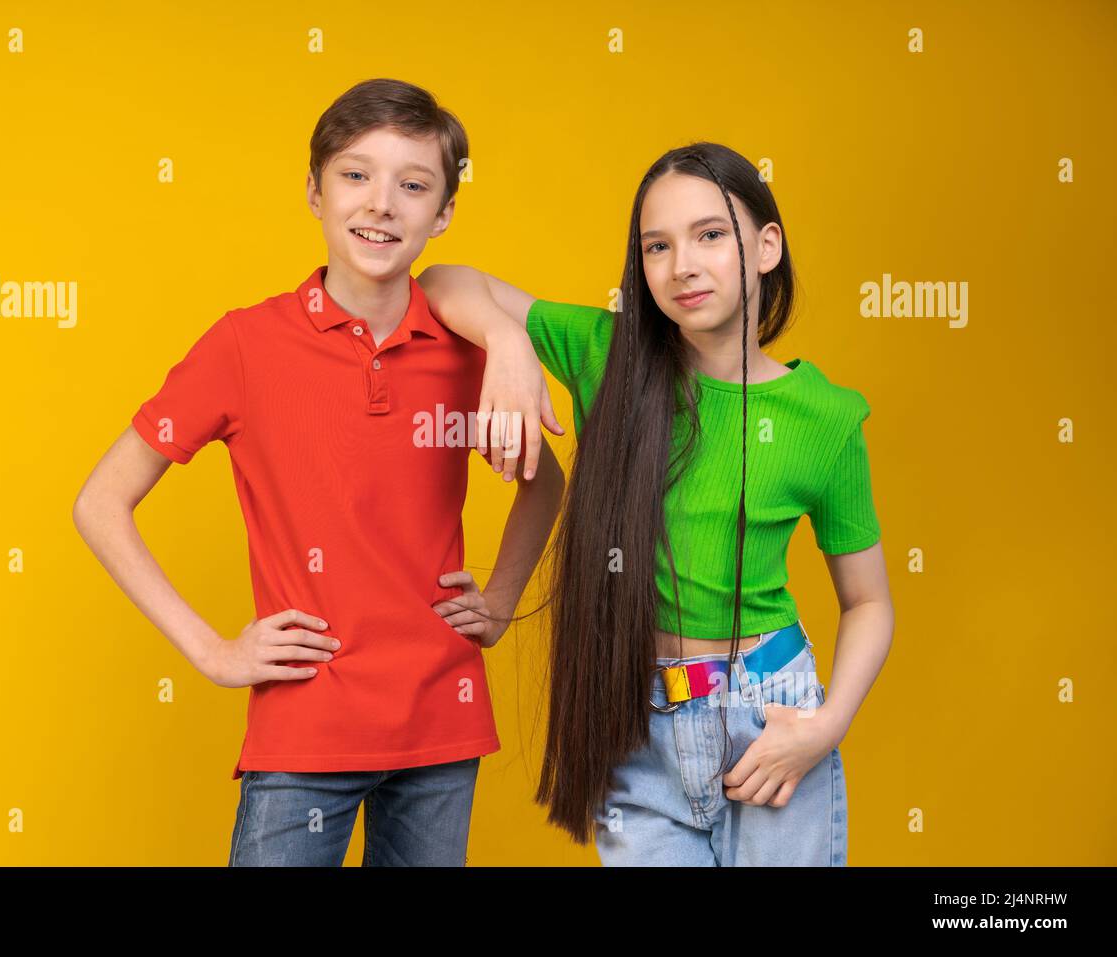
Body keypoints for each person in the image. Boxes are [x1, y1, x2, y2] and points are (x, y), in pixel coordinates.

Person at [72, 78, 565, 867]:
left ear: (442, 213)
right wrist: (212, 651)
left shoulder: (468, 349)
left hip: (442, 724)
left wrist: (501, 600)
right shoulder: (244, 346)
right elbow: (101, 501)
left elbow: (545, 480)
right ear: (314, 190)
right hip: (305, 729)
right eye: (355, 175)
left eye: (413, 185)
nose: (381, 204)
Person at [416, 142, 895, 865]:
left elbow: (869, 602)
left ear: (766, 247)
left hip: (770, 717)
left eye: (710, 235)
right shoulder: (606, 355)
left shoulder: (824, 419)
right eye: (657, 246)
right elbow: (444, 278)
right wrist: (509, 343)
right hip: (633, 721)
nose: (682, 266)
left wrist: (825, 726)